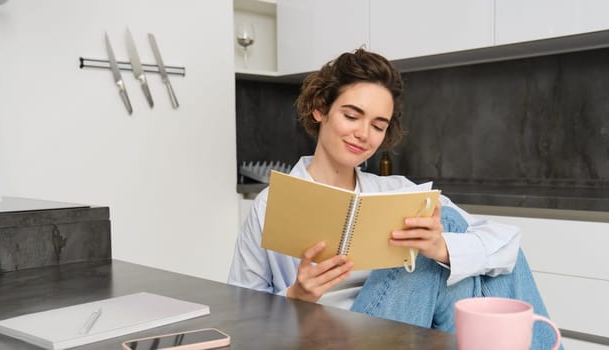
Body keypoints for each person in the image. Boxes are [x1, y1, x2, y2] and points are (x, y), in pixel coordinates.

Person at [228, 48, 560, 349]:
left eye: (378, 125)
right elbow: (239, 314)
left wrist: (441, 249)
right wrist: (295, 296)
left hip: (406, 330)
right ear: (320, 109)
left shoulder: (397, 192)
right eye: (352, 115)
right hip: (324, 340)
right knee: (446, 231)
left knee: (451, 238)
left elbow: (508, 247)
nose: (363, 134)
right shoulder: (273, 203)